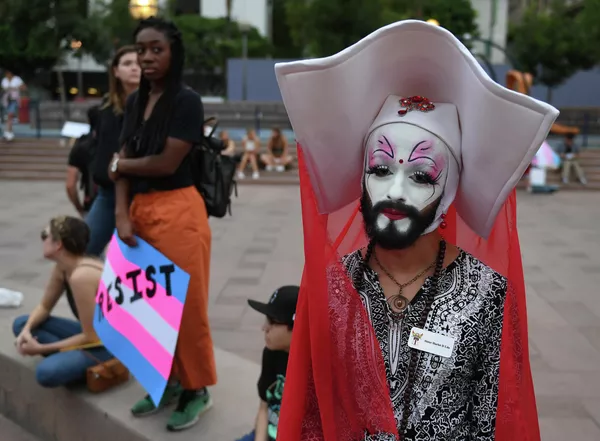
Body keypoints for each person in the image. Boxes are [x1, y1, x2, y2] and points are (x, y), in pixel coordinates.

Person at [273, 20, 559, 441]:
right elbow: (313, 415)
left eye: (422, 176)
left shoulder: (487, 291)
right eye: (381, 169)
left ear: (450, 192)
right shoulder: (335, 286)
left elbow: (494, 418)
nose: (395, 190)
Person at [108, 17, 216, 432]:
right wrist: (121, 212)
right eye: (142, 49)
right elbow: (121, 161)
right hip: (139, 209)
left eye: (157, 49)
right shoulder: (135, 102)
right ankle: (167, 382)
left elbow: (166, 161)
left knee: (186, 307)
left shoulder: (186, 101)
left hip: (179, 210)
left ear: (174, 53)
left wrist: (121, 165)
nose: (147, 57)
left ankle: (197, 390)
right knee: (149, 306)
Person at [12, 216, 112, 387]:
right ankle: (71, 359)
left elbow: (91, 337)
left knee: (46, 373)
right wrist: (27, 331)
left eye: (45, 235)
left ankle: (77, 364)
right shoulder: (63, 267)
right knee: (20, 324)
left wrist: (41, 349)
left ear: (58, 244)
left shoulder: (82, 276)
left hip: (107, 345)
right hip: (91, 334)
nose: (42, 240)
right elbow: (44, 306)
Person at [86, 45, 140, 256]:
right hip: (108, 194)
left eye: (138, 63)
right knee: (81, 251)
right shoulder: (105, 109)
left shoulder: (155, 106)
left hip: (142, 194)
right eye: (127, 64)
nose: (134, 68)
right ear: (116, 71)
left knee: (138, 261)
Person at [236, 285, 299, 441]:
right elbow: (264, 407)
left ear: (296, 327)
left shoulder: (315, 370)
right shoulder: (271, 353)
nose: (265, 328)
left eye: (273, 322)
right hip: (268, 432)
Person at [66, 105, 101, 217]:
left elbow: (70, 185)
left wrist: (80, 209)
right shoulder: (118, 143)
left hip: (91, 204)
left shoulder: (81, 145)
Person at [1, 70, 26, 141]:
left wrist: (16, 88)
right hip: (6, 99)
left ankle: (7, 132)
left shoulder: (17, 79)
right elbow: (3, 88)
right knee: (8, 116)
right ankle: (10, 133)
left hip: (14, 99)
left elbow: (24, 87)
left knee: (10, 115)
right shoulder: (4, 80)